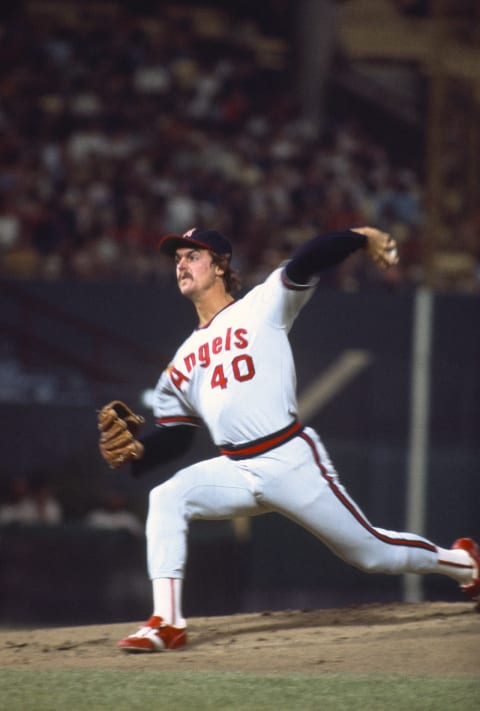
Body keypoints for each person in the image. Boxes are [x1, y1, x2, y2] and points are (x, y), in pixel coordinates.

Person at [98, 226, 479, 653]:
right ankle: (165, 623)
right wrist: (139, 452)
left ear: (221, 264)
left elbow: (306, 261)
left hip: (289, 458)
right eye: (177, 259)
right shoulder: (180, 363)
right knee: (167, 497)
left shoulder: (262, 305)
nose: (181, 264)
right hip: (236, 469)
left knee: (373, 554)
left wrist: (358, 236)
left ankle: (463, 563)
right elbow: (178, 436)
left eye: (192, 255)